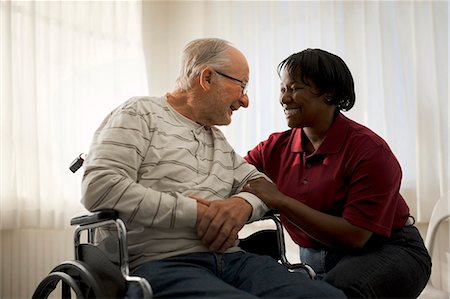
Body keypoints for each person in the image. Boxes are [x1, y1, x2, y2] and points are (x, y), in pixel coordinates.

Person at [81, 39, 345, 298]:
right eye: (241, 86)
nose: (245, 101)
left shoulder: (216, 138)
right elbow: (100, 187)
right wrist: (195, 213)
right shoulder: (140, 114)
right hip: (161, 263)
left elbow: (262, 185)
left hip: (232, 261)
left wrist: (241, 205)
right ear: (207, 78)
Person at [243, 48, 432, 298]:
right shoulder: (275, 148)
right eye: (282, 89)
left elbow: (355, 237)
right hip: (320, 258)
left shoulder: (369, 151)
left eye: (295, 88)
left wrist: (280, 200)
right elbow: (233, 175)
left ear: (329, 93)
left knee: (332, 293)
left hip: (389, 250)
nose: (284, 99)